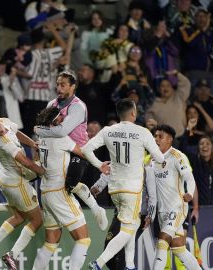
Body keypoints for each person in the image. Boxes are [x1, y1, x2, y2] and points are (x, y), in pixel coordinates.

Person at [81, 98, 165, 270]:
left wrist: (99, 165)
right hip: (132, 189)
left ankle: (130, 265)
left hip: (115, 189)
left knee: (130, 225)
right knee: (130, 227)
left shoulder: (108, 131)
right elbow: (159, 158)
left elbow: (85, 149)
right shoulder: (142, 132)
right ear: (134, 113)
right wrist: (159, 158)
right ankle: (99, 262)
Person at [34, 70, 109, 230]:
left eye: (63, 85)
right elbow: (50, 128)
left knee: (70, 183)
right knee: (34, 175)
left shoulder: (78, 107)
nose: (58, 88)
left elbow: (61, 131)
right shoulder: (51, 104)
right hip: (58, 150)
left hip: (79, 151)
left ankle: (96, 210)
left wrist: (39, 130)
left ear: (73, 87)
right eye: (57, 84)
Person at [0, 113, 45, 270]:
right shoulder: (1, 141)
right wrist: (42, 172)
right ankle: (12, 255)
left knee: (19, 216)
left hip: (4, 179)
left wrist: (32, 144)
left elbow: (16, 132)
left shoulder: (4, 121)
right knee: (37, 220)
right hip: (17, 184)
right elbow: (25, 161)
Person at [32, 106, 94, 270]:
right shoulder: (61, 138)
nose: (64, 119)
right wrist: (100, 163)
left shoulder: (40, 136)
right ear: (55, 120)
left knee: (51, 241)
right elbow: (83, 153)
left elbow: (37, 161)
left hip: (45, 192)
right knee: (83, 239)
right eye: (61, 117)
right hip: (59, 192)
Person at [147, 124, 201, 270]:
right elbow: (150, 192)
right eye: (155, 136)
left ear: (169, 139)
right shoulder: (151, 160)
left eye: (160, 136)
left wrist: (189, 192)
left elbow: (189, 177)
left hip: (177, 207)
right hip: (161, 211)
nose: (156, 139)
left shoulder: (177, 156)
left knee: (162, 242)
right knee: (178, 248)